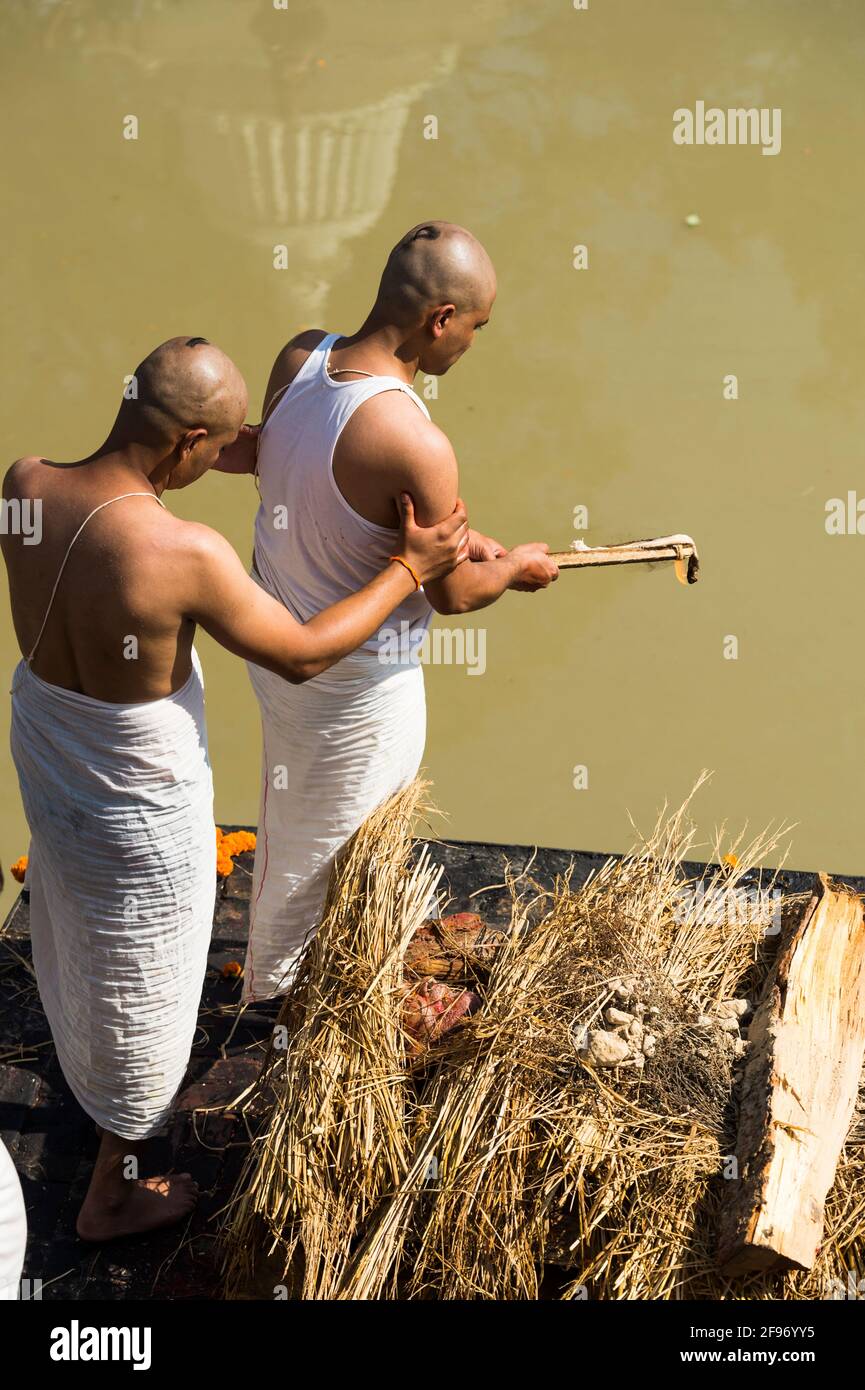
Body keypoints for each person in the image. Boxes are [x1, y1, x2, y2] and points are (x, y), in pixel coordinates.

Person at [1, 336, 468, 1240]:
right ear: (184, 447)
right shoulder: (182, 553)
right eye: (220, 449)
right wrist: (409, 568)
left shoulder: (24, 482)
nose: (224, 462)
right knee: (146, 973)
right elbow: (303, 654)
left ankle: (87, 1072)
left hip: (50, 751)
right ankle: (113, 1191)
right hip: (134, 799)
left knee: (78, 927)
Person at [219, 220, 559, 1003]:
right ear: (440, 319)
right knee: (328, 857)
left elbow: (306, 483)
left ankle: (303, 982)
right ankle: (276, 1009)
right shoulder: (416, 440)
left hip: (279, 647)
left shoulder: (300, 356)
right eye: (475, 326)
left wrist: (470, 546)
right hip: (359, 687)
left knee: (296, 829)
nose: (473, 343)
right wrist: (513, 571)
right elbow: (450, 591)